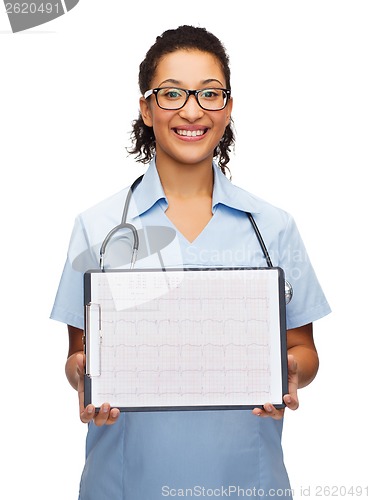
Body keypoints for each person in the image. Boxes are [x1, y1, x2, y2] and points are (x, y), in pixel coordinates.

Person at [51, 25, 331, 500]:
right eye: (172, 93)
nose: (191, 110)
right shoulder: (99, 227)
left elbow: (304, 350)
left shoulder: (272, 226)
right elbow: (80, 356)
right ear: (146, 108)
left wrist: (289, 370)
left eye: (209, 93)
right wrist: (82, 375)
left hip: (248, 483)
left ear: (228, 107)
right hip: (125, 485)